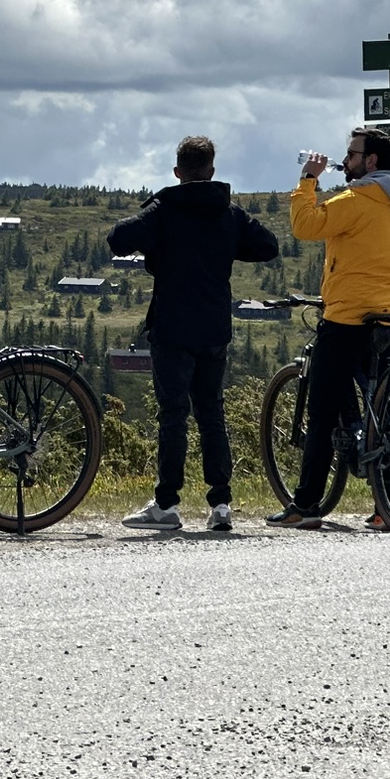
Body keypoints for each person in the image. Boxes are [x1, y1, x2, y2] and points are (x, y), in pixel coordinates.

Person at [109, 135, 280, 533]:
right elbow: (268, 246)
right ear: (212, 171)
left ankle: (167, 505)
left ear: (177, 171)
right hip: (214, 327)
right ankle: (220, 505)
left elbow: (119, 238)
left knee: (173, 415)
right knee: (211, 412)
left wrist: (153, 218)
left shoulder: (165, 209)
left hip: (171, 326)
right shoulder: (229, 213)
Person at [268, 127, 390, 530]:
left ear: (371, 161)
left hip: (346, 318)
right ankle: (386, 508)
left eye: (352, 153)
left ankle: (304, 506)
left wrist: (308, 180)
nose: (347, 159)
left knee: (321, 412)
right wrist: (385, 287)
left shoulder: (355, 199)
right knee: (383, 408)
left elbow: (305, 225)